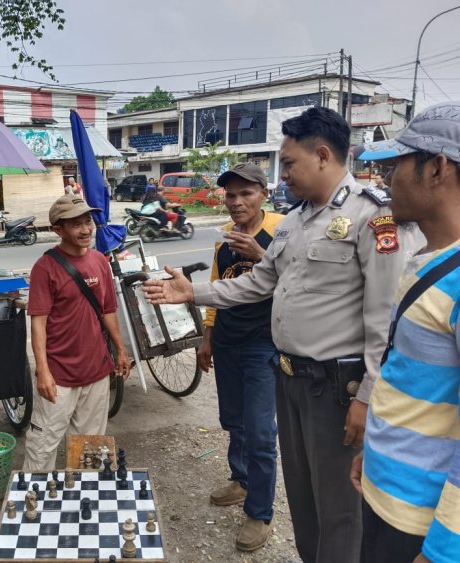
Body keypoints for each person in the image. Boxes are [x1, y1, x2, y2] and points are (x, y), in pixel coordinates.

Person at [142, 106, 423, 563]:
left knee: (339, 510)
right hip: (290, 378)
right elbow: (258, 282)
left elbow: (384, 319)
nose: (284, 174)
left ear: (324, 155)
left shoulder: (372, 218)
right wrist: (191, 291)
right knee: (304, 502)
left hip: (338, 386)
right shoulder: (296, 219)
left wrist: (368, 397)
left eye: (289, 163)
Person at [349, 102, 460, 563]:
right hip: (389, 494)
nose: (386, 179)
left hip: (421, 522)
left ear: (436, 168)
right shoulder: (425, 259)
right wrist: (376, 457)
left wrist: (442, 549)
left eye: (396, 166)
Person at [199, 163, 285, 552]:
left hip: (263, 344)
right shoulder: (224, 243)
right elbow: (217, 293)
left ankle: (260, 511)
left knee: (261, 431)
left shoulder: (284, 231)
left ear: (263, 194)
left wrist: (264, 254)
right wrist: (207, 338)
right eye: (230, 195)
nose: (236, 202)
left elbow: (301, 282)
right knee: (234, 418)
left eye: (245, 193)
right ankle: (241, 478)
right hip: (229, 342)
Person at [22, 194, 131, 472]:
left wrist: (120, 349)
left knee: (90, 445)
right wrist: (42, 371)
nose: (85, 230)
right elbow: (38, 324)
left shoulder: (99, 261)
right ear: (58, 230)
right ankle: (36, 501)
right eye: (75, 225)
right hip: (59, 375)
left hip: (96, 369)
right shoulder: (45, 268)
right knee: (43, 443)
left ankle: (85, 496)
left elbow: (108, 310)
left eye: (87, 221)